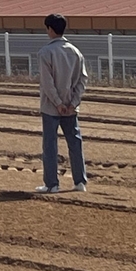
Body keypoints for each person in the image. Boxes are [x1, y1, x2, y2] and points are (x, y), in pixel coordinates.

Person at [34, 13, 88, 193]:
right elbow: (82, 80)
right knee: (75, 142)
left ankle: (52, 184)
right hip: (71, 107)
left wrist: (57, 103)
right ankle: (80, 182)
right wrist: (73, 102)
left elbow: (47, 83)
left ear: (49, 29)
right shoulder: (76, 52)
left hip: (51, 107)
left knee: (50, 145)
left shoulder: (45, 53)